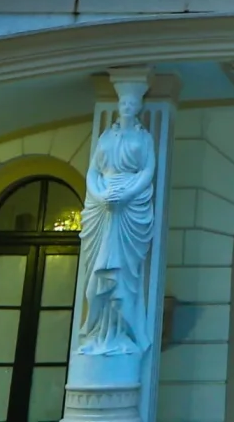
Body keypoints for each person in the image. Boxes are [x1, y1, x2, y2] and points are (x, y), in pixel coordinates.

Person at [76, 78, 157, 355]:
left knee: (123, 274)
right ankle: (96, 331)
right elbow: (93, 172)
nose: (126, 107)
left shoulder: (143, 138)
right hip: (104, 206)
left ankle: (124, 334)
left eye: (131, 103)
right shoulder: (106, 138)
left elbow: (147, 171)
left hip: (128, 205)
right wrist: (100, 196)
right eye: (123, 102)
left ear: (138, 107)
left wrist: (126, 195)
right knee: (95, 278)